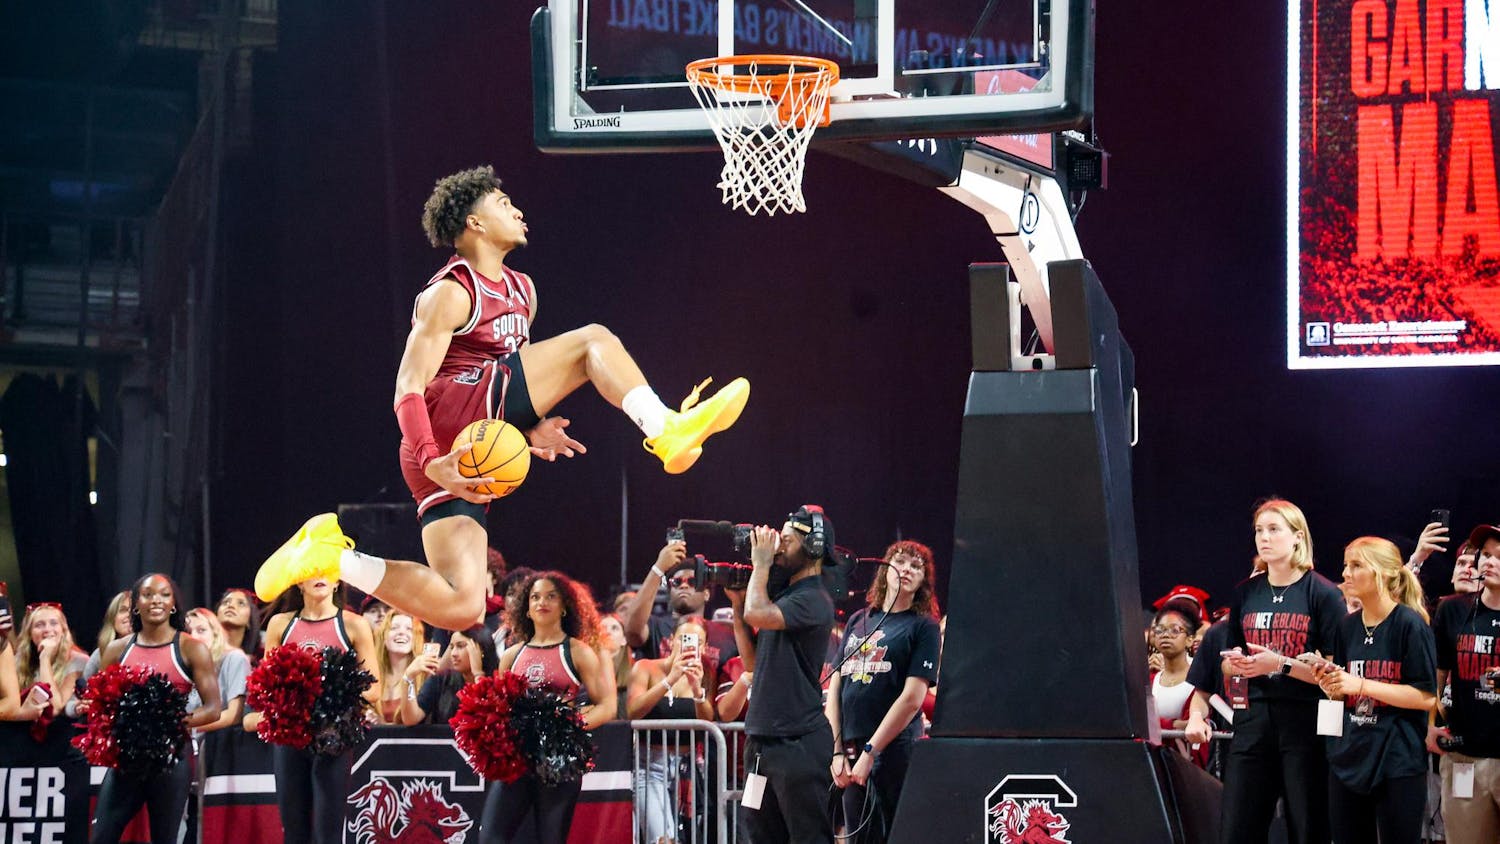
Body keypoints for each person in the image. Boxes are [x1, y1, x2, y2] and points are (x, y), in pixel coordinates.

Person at [253, 165, 751, 633]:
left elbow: (518, 375)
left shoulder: (523, 292)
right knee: (592, 340)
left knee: (462, 605)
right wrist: (432, 460)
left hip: (464, 444)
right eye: (503, 202)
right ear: (474, 222)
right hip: (441, 427)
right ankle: (664, 428)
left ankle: (331, 556)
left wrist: (530, 430)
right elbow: (408, 386)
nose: (517, 210)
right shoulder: (451, 292)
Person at [1187, 498, 1344, 844]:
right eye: (1259, 530)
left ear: (1298, 537)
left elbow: (1336, 675)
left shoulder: (1324, 594)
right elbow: (1227, 662)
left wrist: (1281, 665)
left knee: (1308, 827)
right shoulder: (1246, 592)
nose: (1264, 537)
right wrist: (1238, 665)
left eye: (1274, 529)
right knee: (1237, 828)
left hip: (1305, 723)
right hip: (1252, 719)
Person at [1305, 537, 1435, 844]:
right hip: (1349, 755)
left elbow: (1426, 697)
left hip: (1397, 760)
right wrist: (1332, 685)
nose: (1346, 573)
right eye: (1346, 565)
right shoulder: (1346, 626)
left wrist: (1361, 684)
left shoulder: (1410, 624)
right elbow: (1344, 694)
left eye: (1357, 565)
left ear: (1386, 573)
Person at [482, 571, 616, 844]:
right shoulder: (511, 655)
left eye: (551, 596)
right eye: (535, 597)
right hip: (517, 758)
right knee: (491, 838)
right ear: (526, 610)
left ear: (564, 606)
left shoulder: (577, 651)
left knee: (551, 839)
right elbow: (500, 708)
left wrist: (566, 726)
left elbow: (606, 706)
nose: (542, 602)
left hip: (558, 760)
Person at [731, 506, 839, 844]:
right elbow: (752, 663)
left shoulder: (814, 599)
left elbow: (757, 613)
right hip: (761, 743)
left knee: (808, 837)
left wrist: (760, 564)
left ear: (813, 548)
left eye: (787, 541)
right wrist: (736, 607)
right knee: (758, 834)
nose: (778, 547)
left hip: (797, 743)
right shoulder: (785, 597)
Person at [825, 540, 942, 844]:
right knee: (858, 836)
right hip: (852, 751)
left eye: (916, 566)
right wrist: (836, 751)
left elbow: (912, 698)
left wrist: (871, 751)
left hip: (894, 753)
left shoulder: (922, 627)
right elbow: (835, 689)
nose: (906, 569)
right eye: (900, 561)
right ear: (884, 568)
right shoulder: (858, 620)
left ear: (923, 581)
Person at [91, 574, 222, 844]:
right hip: (127, 760)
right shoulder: (116, 650)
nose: (156, 601)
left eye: (164, 594)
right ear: (136, 605)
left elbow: (213, 709)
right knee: (102, 835)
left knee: (165, 838)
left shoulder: (191, 648)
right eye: (148, 594)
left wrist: (166, 721)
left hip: (171, 758)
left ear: (173, 604)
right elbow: (102, 704)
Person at [254, 577, 378, 844]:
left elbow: (374, 690)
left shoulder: (354, 625)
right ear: (300, 583)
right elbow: (267, 683)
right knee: (294, 830)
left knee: (327, 832)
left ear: (337, 583)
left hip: (333, 736)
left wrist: (331, 690)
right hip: (290, 737)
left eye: (327, 571)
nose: (319, 576)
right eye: (313, 571)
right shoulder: (281, 623)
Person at [1429, 523, 1500, 844]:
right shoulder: (1452, 610)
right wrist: (1429, 724)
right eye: (1486, 555)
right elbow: (1436, 678)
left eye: (1499, 556)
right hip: (1463, 756)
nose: (1489, 562)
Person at [627, 617, 714, 844]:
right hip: (650, 764)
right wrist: (670, 680)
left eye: (697, 641)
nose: (689, 645)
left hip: (689, 767)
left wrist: (697, 689)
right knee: (662, 839)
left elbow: (709, 721)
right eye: (684, 639)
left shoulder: (706, 673)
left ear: (704, 647)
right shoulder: (645, 667)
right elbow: (633, 711)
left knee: (690, 836)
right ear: (671, 641)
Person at [624, 544, 739, 685]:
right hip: (660, 704)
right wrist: (658, 568)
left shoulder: (727, 636)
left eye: (692, 581)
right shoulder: (656, 626)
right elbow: (630, 630)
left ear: (707, 594)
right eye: (676, 582)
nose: (683, 586)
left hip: (706, 705)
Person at [402, 625, 493, 726]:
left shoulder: (497, 682)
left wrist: (478, 674)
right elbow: (411, 719)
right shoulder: (441, 679)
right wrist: (408, 678)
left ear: (480, 650)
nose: (453, 653)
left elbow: (488, 722)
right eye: (451, 647)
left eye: (461, 646)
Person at [1147, 605, 1204, 766]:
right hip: (1155, 763)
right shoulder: (1149, 680)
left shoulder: (1201, 678)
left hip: (1189, 768)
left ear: (1190, 639)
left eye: (1175, 630)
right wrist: (1173, 725)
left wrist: (1160, 724)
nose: (1165, 635)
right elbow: (1141, 721)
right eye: (1160, 630)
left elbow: (1195, 723)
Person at [14, 602, 87, 719]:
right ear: (29, 633)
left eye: (54, 623)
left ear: (63, 630)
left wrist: (45, 657)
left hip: (63, 731)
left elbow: (55, 708)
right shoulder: (18, 661)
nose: (47, 629)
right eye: (39, 625)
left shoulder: (78, 660)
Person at [183, 608, 251, 732]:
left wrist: (186, 728)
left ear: (215, 633)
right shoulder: (186, 668)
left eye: (201, 630)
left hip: (220, 747)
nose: (193, 636)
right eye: (188, 631)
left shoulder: (234, 658)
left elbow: (234, 715)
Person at [375, 610, 434, 724]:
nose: (401, 632)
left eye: (409, 629)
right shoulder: (373, 675)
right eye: (394, 628)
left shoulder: (427, 675)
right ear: (384, 637)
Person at [215, 588, 262, 663]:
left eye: (241, 603)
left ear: (250, 619)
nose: (230, 606)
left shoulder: (257, 662)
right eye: (226, 602)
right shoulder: (204, 651)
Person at [599, 612, 632, 718]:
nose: (608, 632)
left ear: (624, 640)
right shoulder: (585, 672)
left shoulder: (633, 675)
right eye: (603, 628)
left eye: (614, 628)